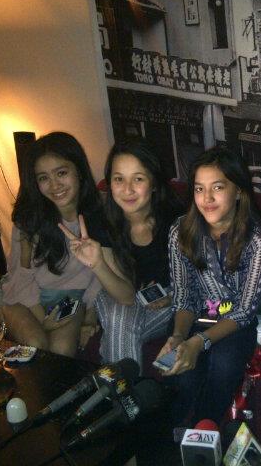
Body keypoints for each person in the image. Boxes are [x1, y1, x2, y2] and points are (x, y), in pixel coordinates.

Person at [155, 146, 261, 425]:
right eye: (199, 189)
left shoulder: (258, 238)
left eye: (217, 188)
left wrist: (200, 342)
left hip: (234, 323)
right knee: (181, 374)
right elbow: (183, 295)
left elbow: (244, 310)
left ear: (239, 191)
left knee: (223, 367)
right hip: (194, 317)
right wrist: (179, 336)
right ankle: (168, 437)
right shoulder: (180, 230)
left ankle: (204, 432)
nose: (206, 198)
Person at [60, 139, 182, 372]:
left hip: (168, 302)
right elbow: (125, 297)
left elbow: (198, 279)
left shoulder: (176, 220)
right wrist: (97, 263)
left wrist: (173, 296)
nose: (127, 189)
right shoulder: (100, 221)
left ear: (154, 184)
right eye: (119, 179)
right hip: (116, 294)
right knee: (120, 315)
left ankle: (118, 392)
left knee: (119, 325)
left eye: (138, 179)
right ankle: (128, 392)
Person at [0, 132, 106, 357]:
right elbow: (19, 276)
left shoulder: (99, 212)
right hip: (24, 297)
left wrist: (90, 314)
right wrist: (41, 319)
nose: (54, 185)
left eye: (61, 173)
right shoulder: (29, 220)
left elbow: (100, 274)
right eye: (43, 178)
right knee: (35, 343)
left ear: (78, 170)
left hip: (69, 299)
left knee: (60, 351)